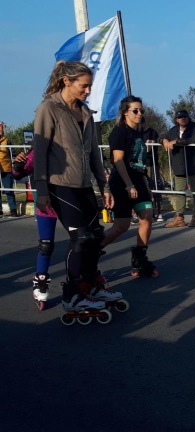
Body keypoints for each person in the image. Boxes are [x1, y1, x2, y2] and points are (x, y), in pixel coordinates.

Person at [32, 60, 122, 313]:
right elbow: (40, 151)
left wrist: (104, 186)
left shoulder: (86, 113)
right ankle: (72, 294)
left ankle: (92, 286)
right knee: (81, 239)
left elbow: (94, 154)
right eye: (84, 86)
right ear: (67, 82)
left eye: (90, 86)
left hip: (83, 185)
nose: (88, 90)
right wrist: (41, 191)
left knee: (95, 237)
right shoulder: (49, 108)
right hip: (59, 185)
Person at [99, 96, 159, 278]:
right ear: (125, 112)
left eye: (141, 110)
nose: (139, 114)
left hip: (138, 181)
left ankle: (140, 258)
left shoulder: (139, 132)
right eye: (135, 110)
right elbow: (117, 160)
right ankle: (90, 253)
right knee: (121, 227)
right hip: (122, 182)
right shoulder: (119, 132)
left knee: (147, 216)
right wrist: (128, 185)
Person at [12, 148, 59, 307]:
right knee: (46, 245)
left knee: (83, 240)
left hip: (70, 202)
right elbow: (19, 174)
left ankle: (85, 278)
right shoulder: (40, 148)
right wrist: (18, 165)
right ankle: (40, 280)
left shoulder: (73, 142)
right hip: (48, 203)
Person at [161, 109, 195, 227]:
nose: (182, 119)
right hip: (179, 167)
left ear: (188, 118)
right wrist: (164, 140)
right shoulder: (173, 130)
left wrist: (177, 141)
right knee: (179, 192)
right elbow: (162, 136)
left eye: (185, 116)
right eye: (180, 117)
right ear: (176, 120)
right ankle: (179, 218)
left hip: (194, 166)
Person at [142, 116, 164, 222]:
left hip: (151, 164)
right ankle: (143, 213)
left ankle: (159, 211)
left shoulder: (152, 132)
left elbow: (154, 145)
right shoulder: (133, 132)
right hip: (138, 164)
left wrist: (150, 145)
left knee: (155, 187)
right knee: (141, 188)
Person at [0, 121, 18, 217]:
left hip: (6, 169)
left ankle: (13, 209)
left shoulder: (7, 141)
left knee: (9, 190)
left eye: (1, 127)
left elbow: (13, 154)